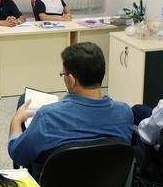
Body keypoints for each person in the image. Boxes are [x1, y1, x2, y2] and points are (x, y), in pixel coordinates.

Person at [8, 42, 133, 176]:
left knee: (23, 103)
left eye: (63, 74)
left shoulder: (47, 117)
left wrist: (15, 121)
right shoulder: (124, 112)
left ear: (72, 80)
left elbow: (18, 155)